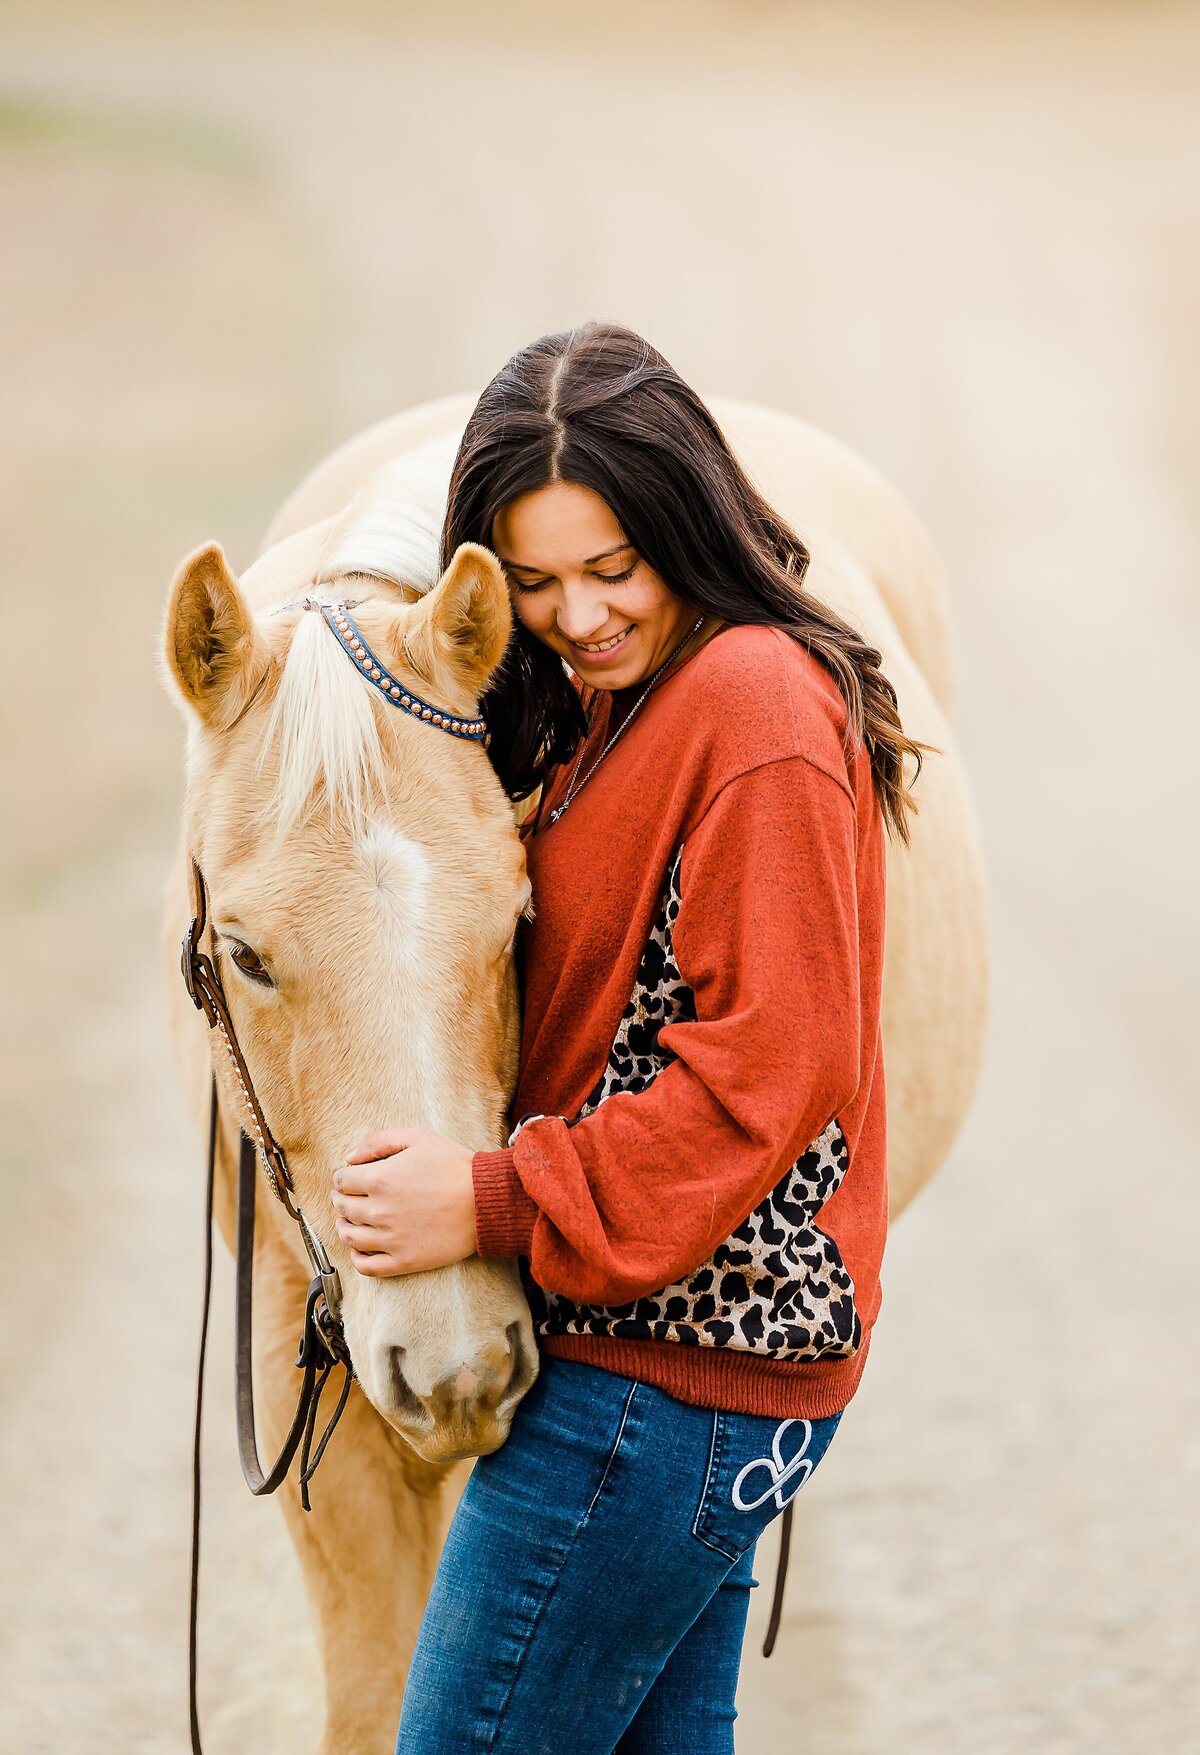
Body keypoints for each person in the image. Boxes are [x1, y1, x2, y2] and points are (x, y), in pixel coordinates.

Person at [329, 321, 928, 1754]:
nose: (579, 619)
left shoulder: (756, 704)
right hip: (667, 1374)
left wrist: (481, 1199)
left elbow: (760, 1077)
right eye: (534, 582)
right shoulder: (623, 706)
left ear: (684, 525)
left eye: (614, 570)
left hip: (665, 1380)